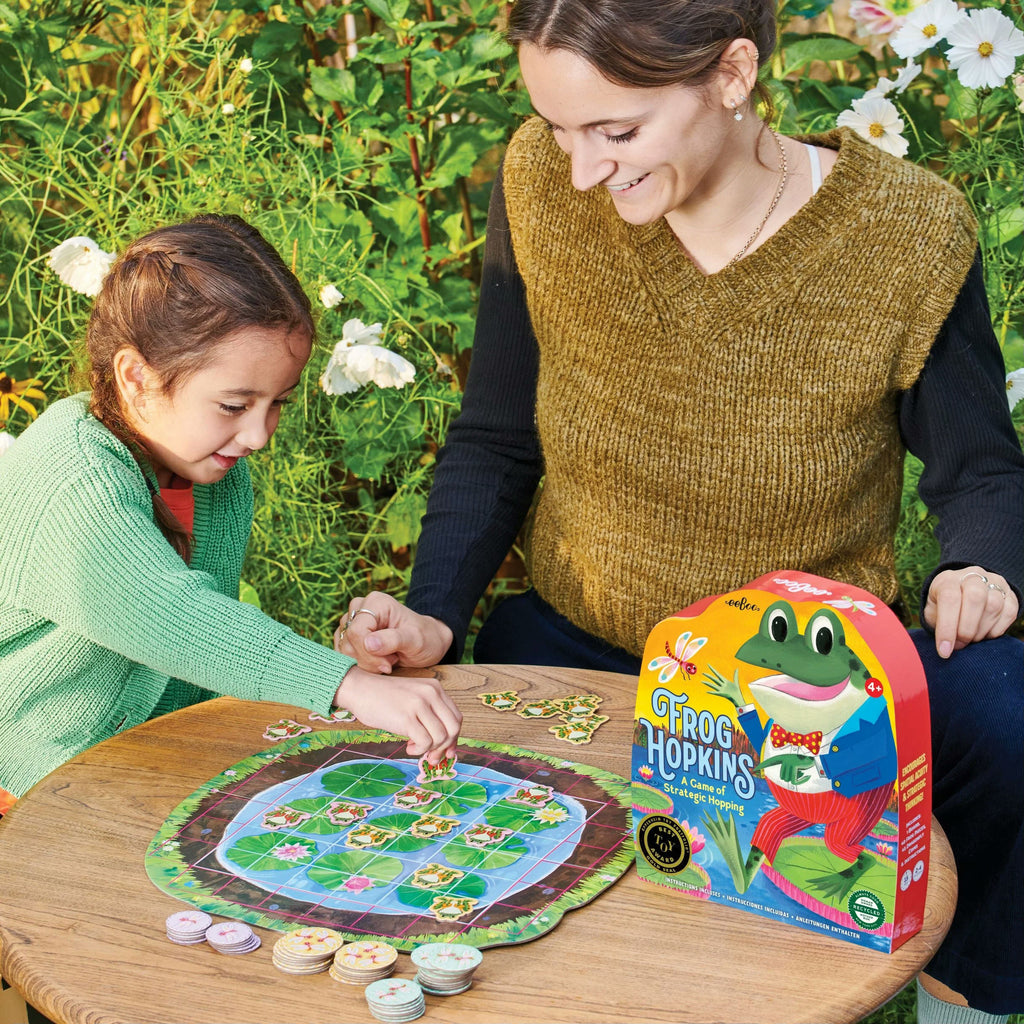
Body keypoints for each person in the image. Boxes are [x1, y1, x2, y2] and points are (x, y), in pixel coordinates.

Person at [336, 2, 1024, 1021]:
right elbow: (495, 438)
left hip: (806, 697)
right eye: (561, 128)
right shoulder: (538, 184)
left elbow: (979, 476)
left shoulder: (905, 235)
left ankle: (954, 994)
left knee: (1003, 710)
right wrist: (434, 608)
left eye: (615, 131)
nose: (579, 169)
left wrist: (982, 567)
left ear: (733, 72)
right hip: (585, 652)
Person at [0, 213, 461, 813]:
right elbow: (168, 616)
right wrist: (344, 686)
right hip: (24, 781)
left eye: (276, 404)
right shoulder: (71, 475)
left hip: (132, 769)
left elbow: (197, 644)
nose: (258, 434)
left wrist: (340, 655)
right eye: (234, 404)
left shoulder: (215, 476)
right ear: (138, 376)